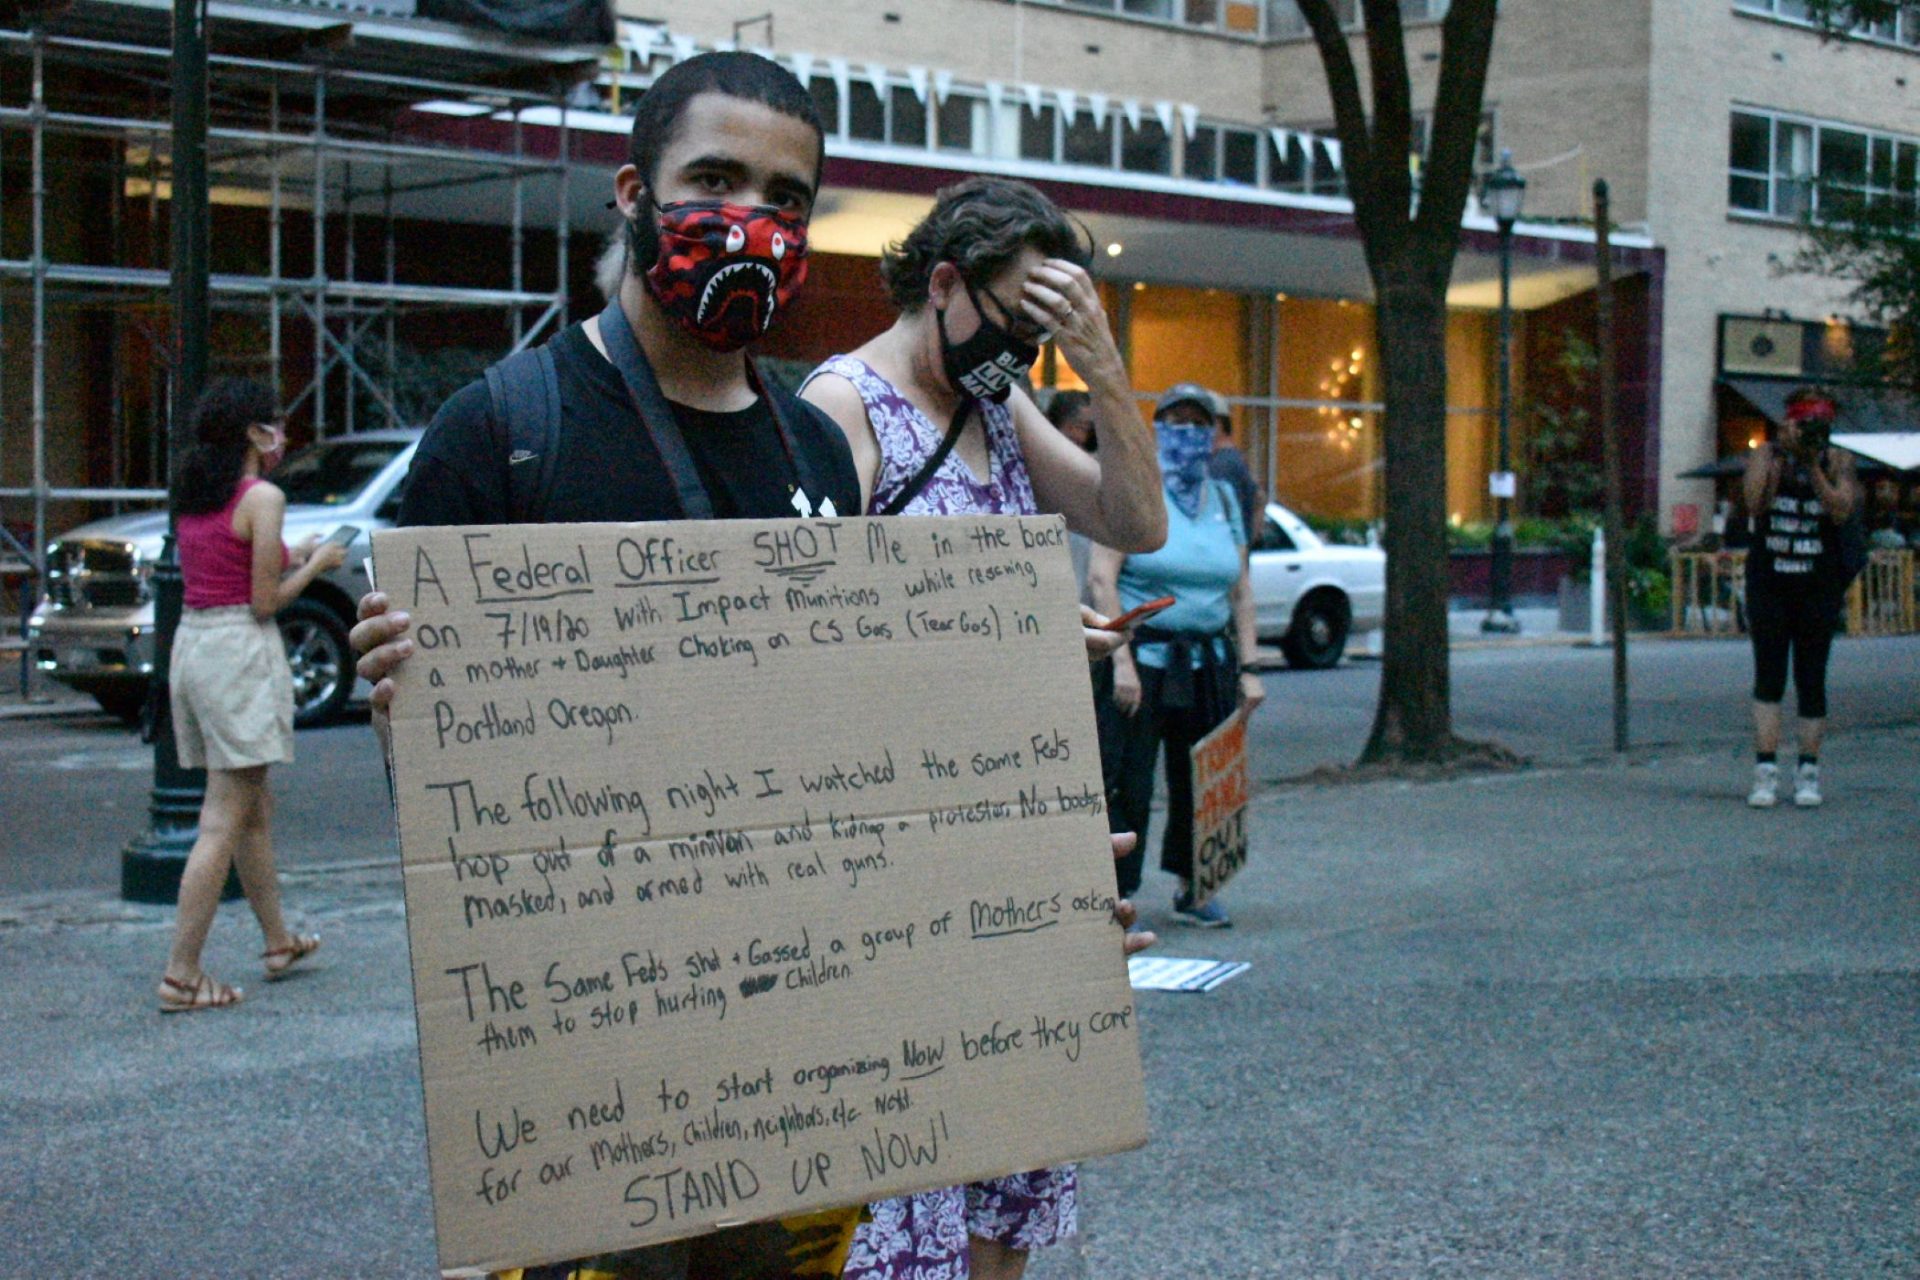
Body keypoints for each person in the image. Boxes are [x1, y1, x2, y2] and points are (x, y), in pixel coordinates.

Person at [352, 58, 1145, 1280]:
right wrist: (401, 696)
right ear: (633, 193)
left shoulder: (815, 449)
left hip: (797, 1119)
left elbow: (863, 774)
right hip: (589, 1108)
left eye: (784, 198)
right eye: (713, 180)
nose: (751, 224)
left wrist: (1027, 877)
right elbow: (448, 807)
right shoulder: (500, 431)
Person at [800, 176, 1164, 1280]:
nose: (1027, 356)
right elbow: (817, 644)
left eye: (1050, 338)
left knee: (1007, 1190)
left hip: (1012, 832)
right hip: (900, 864)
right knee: (909, 1211)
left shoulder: (998, 406)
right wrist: (1017, 639)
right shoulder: (845, 406)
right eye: (1018, 323)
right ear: (944, 283)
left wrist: (1104, 368)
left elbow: (1135, 518)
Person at [156, 379, 344, 1012]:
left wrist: (295, 551)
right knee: (221, 818)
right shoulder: (264, 496)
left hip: (195, 647)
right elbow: (265, 602)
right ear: (254, 434)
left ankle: (277, 940)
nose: (284, 437)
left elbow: (225, 557)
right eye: (276, 425)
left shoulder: (195, 494)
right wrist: (316, 568)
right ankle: (182, 976)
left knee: (251, 806)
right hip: (240, 651)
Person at [1090, 383, 1266, 927]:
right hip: (1143, 660)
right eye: (1176, 422)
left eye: (1199, 423)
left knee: (1206, 778)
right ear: (1157, 428)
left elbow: (1240, 588)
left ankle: (1197, 885)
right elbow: (1102, 576)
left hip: (1208, 661)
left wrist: (1251, 668)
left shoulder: (1225, 499)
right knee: (1128, 779)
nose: (1188, 434)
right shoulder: (1136, 490)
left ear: (1214, 434)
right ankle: (1118, 893)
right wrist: (1120, 661)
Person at [1741, 387, 1860, 809]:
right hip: (1770, 584)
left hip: (1817, 587)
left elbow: (1841, 508)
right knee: (1768, 678)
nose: (1811, 431)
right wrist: (1779, 456)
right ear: (1788, 422)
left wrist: (1811, 464)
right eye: (1803, 422)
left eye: (1818, 424)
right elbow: (1753, 503)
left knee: (1812, 679)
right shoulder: (1767, 455)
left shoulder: (1837, 460)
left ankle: (1808, 770)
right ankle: (1765, 771)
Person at [1044, 390, 1101, 606]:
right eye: (1079, 426)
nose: (1083, 435)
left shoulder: (1094, 467)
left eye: (1089, 429)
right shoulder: (1039, 464)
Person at [1198, 385, 1261, 545]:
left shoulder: (1222, 465)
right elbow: (1259, 499)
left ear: (1217, 424)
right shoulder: (1234, 460)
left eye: (1198, 421)